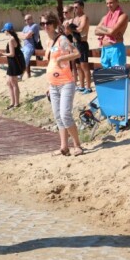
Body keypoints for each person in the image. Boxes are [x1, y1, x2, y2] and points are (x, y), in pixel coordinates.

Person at [40, 11, 84, 157]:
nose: (45, 26)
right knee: (58, 116)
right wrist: (48, 84)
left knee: (65, 114)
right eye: (42, 24)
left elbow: (77, 53)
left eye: (47, 23)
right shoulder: (48, 42)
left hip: (66, 83)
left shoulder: (62, 39)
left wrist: (61, 59)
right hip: (53, 84)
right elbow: (50, 63)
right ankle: (64, 146)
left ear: (53, 24)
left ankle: (77, 145)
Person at [95, 0, 129, 68]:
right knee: (108, 76)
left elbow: (112, 32)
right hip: (105, 49)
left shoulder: (123, 16)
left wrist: (102, 27)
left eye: (111, 2)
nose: (108, 5)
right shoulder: (105, 17)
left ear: (117, 2)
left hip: (116, 48)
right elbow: (96, 31)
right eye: (107, 3)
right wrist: (108, 30)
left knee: (118, 75)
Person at [0, 22, 25, 109]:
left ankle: (16, 103)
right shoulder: (14, 38)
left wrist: (2, 54)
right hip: (12, 63)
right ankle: (12, 102)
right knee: (9, 82)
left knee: (14, 83)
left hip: (13, 64)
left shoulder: (11, 39)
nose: (4, 32)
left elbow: (12, 54)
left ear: (7, 30)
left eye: (4, 30)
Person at [72, 0, 92, 94]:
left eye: (76, 7)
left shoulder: (85, 17)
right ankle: (82, 86)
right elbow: (68, 31)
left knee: (85, 67)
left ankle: (88, 87)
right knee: (78, 66)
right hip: (75, 44)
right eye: (74, 7)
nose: (75, 9)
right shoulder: (75, 18)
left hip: (82, 44)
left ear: (82, 7)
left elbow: (80, 29)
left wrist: (70, 28)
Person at [19, 14, 40, 79]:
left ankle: (20, 75)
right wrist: (25, 36)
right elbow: (20, 36)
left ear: (32, 19)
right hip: (24, 46)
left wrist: (25, 35)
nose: (27, 21)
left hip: (31, 46)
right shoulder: (25, 27)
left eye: (28, 19)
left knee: (25, 60)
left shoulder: (34, 26)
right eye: (25, 20)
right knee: (18, 57)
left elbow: (26, 36)